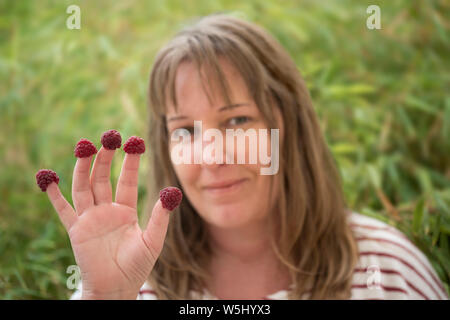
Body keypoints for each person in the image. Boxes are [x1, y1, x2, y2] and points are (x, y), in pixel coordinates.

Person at [43, 13, 448, 300]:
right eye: (184, 130)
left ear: (289, 124)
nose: (211, 157)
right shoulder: (128, 283)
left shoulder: (389, 270)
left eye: (237, 120)